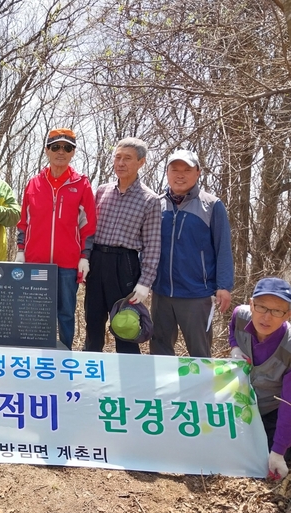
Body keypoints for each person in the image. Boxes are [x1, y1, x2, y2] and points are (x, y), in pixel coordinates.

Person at [15, 128, 96, 349]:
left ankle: (65, 355)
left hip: (68, 264)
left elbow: (88, 226)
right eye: (56, 147)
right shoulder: (33, 183)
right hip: (35, 262)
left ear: (73, 153)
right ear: (47, 150)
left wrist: (84, 256)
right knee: (35, 314)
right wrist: (21, 250)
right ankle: (34, 355)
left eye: (67, 148)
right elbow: (24, 220)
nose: (61, 152)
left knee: (66, 314)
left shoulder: (81, 184)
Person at [150, 150, 233, 357]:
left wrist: (224, 286)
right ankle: (164, 390)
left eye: (187, 170)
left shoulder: (212, 205)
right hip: (161, 292)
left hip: (197, 294)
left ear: (198, 173)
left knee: (200, 353)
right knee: (160, 351)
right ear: (167, 172)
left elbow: (223, 246)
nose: (180, 175)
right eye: (175, 169)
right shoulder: (156, 204)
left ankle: (202, 390)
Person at [83, 137, 161, 354]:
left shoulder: (149, 199)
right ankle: (89, 377)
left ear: (141, 162)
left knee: (125, 325)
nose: (121, 163)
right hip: (97, 261)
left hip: (125, 264)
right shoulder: (102, 191)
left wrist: (145, 283)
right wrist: (85, 259)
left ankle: (128, 383)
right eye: (117, 157)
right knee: (93, 321)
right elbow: (89, 230)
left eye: (127, 158)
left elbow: (152, 246)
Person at [228, 277, 291, 480]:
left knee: (271, 457)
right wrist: (235, 348)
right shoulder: (241, 315)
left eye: (277, 311)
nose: (266, 317)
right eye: (262, 307)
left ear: (287, 315)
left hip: (272, 409)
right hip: (240, 400)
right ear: (252, 304)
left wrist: (279, 451)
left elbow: (287, 403)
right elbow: (232, 328)